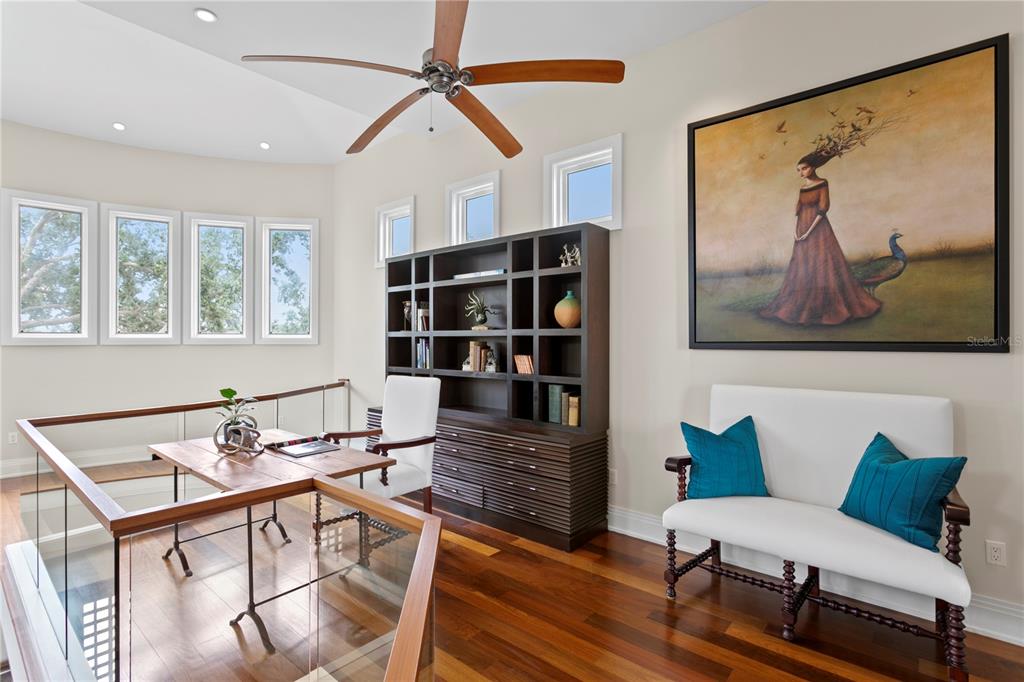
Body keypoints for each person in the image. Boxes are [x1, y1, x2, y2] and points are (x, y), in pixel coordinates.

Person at [760, 152, 881, 325]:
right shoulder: (802, 187)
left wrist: (808, 232)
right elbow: (798, 209)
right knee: (803, 263)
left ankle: (830, 307)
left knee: (825, 262)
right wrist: (796, 230)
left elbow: (823, 208)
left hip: (818, 228)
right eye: (799, 170)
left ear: (813, 167)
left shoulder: (823, 183)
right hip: (801, 227)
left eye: (804, 168)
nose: (801, 173)